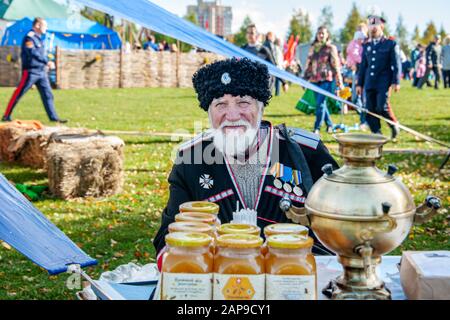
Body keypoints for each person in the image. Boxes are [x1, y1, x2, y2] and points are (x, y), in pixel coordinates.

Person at [153, 58, 338, 262]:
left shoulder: (306, 151)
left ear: (261, 108)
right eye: (220, 104)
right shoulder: (190, 160)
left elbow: (340, 234)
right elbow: (166, 242)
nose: (232, 115)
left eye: (243, 102)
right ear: (209, 111)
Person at [2, 18, 66, 123]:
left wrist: (45, 64)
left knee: (48, 94)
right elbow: (32, 53)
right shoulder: (29, 37)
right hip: (31, 72)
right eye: (44, 25)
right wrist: (47, 61)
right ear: (37, 25)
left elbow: (40, 53)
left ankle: (54, 118)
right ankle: (6, 116)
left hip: (41, 72)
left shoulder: (39, 38)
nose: (46, 28)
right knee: (19, 93)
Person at [356, 13, 401, 140]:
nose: (373, 27)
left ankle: (393, 125)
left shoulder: (390, 44)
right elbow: (363, 66)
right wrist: (359, 84)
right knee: (370, 109)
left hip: (384, 81)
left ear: (382, 26)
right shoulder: (367, 45)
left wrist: (396, 81)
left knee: (382, 106)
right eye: (370, 24)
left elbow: (396, 64)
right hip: (370, 82)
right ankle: (377, 133)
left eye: (375, 24)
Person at [303, 25, 343, 135]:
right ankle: (330, 125)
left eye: (323, 33)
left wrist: (339, 79)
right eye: (319, 33)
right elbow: (309, 63)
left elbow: (335, 65)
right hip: (314, 80)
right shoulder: (313, 48)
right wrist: (305, 78)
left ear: (327, 35)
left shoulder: (331, 48)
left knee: (320, 103)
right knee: (321, 104)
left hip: (327, 79)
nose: (321, 35)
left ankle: (317, 128)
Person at [241, 24, 277, 89]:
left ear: (257, 35)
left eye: (252, 33)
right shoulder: (242, 49)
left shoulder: (263, 50)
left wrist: (284, 82)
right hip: (245, 85)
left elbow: (273, 67)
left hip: (259, 87)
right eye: (248, 33)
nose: (249, 35)